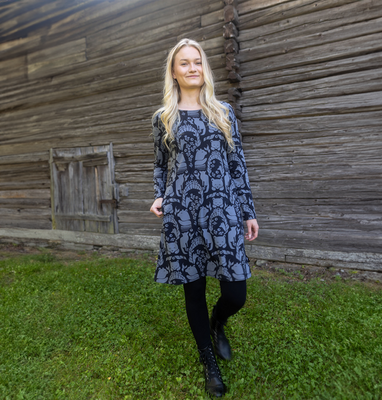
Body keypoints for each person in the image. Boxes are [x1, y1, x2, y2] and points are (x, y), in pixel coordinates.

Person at [150, 38, 259, 398]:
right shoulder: (163, 117)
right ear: (174, 72)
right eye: (184, 63)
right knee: (193, 288)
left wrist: (247, 211)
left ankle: (219, 321)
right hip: (182, 214)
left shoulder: (223, 111)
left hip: (223, 211)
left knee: (236, 292)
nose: (193, 67)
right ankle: (207, 359)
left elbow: (236, 165)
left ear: (204, 68)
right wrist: (159, 196)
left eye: (197, 61)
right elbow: (161, 165)